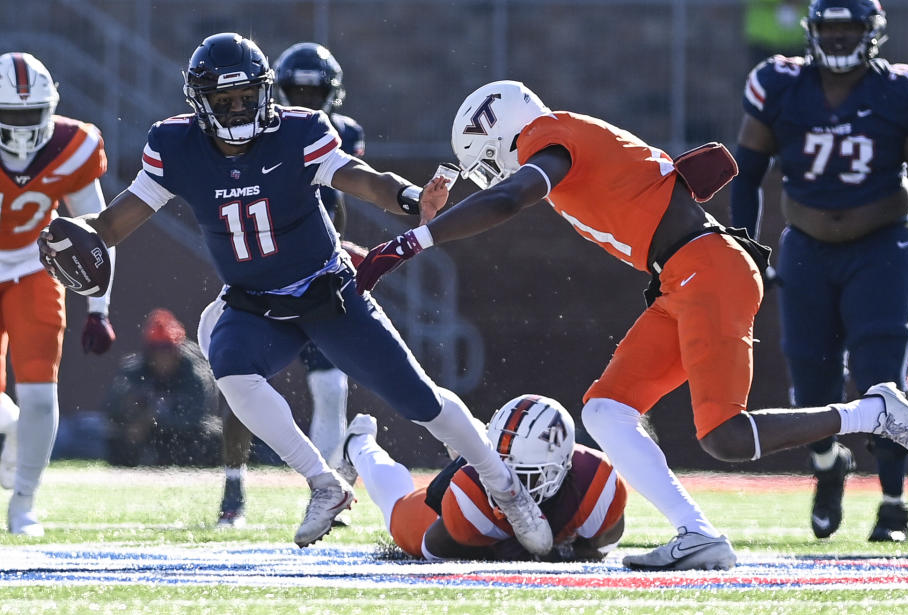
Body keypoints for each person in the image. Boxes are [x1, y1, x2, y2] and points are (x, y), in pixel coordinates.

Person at [354, 79, 908, 570]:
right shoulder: (561, 136)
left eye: (488, 160)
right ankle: (698, 533)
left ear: (500, 134)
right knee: (605, 409)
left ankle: (873, 412)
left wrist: (417, 239)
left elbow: (510, 199)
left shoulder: (550, 138)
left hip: (706, 269)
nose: (494, 171)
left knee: (726, 435)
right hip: (682, 277)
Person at [37, 33, 553, 554]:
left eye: (246, 97)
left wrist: (412, 198)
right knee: (232, 371)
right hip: (254, 301)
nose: (239, 109)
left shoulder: (298, 131)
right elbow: (116, 219)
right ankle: (324, 483)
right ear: (201, 104)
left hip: (326, 292)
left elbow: (361, 178)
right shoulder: (177, 146)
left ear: (264, 92)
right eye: (225, 101)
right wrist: (70, 233)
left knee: (420, 399)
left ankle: (505, 487)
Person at [729, 0, 908, 542]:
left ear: (871, 32)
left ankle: (894, 505)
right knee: (811, 378)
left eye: (847, 29)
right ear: (811, 32)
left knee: (884, 375)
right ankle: (830, 464)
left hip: (883, 248)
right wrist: (745, 244)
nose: (836, 40)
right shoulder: (779, 84)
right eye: (828, 29)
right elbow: (747, 174)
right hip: (805, 247)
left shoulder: (903, 91)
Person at [214, 41, 367, 528]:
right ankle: (233, 488)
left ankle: (328, 491)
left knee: (330, 385)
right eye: (295, 89)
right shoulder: (251, 133)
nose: (303, 98)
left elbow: (338, 201)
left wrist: (340, 252)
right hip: (260, 273)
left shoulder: (338, 134)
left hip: (317, 274)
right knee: (238, 378)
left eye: (312, 90)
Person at [0, 52, 116, 536]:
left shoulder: (73, 145)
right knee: (18, 411)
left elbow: (100, 231)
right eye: (14, 115)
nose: (25, 128)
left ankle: (23, 501)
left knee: (42, 399)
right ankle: (11, 429)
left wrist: (99, 308)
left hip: (34, 269)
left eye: (34, 114)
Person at [342, 394, 626, 561]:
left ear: (559, 468)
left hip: (491, 461)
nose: (507, 484)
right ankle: (359, 444)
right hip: (478, 468)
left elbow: (598, 551)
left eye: (522, 475)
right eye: (506, 470)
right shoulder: (472, 496)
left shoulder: (597, 485)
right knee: (399, 515)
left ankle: (470, 437)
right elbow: (435, 550)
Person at [104, 308, 220, 467]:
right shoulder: (134, 372)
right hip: (147, 435)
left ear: (177, 350)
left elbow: (195, 415)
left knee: (212, 436)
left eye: (167, 348)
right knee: (115, 438)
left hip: (183, 435)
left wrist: (155, 421)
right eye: (156, 349)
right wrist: (130, 415)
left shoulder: (194, 372)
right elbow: (111, 408)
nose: (162, 355)